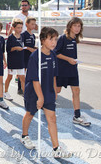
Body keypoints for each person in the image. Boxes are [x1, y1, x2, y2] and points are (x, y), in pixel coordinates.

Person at [21, 27, 71, 158]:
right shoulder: (35, 57)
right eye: (51, 39)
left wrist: (54, 90)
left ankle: (56, 148)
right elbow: (34, 79)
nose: (54, 42)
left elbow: (54, 75)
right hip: (34, 92)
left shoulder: (53, 55)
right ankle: (24, 136)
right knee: (30, 114)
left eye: (55, 39)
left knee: (52, 119)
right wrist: (40, 97)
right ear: (42, 40)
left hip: (48, 92)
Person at [55, 17, 91, 127]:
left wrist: (73, 61)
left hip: (72, 69)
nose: (77, 28)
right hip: (61, 69)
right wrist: (68, 59)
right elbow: (56, 53)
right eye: (75, 25)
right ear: (70, 26)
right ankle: (48, 108)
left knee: (76, 90)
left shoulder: (75, 39)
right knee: (56, 91)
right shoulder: (62, 38)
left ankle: (77, 115)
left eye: (79, 26)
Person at [9, 0, 37, 95]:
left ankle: (29, 87)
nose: (24, 6)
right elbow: (11, 28)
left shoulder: (31, 17)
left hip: (30, 51)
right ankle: (20, 88)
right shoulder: (17, 16)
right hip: (22, 48)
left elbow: (36, 28)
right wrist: (10, 38)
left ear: (29, 6)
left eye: (25, 5)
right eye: (22, 5)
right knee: (22, 70)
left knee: (28, 70)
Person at [4, 18, 26, 101]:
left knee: (22, 78)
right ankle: (5, 92)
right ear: (13, 28)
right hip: (12, 61)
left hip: (20, 61)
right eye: (18, 27)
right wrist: (15, 48)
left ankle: (25, 95)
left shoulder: (22, 36)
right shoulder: (11, 37)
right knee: (10, 77)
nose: (20, 29)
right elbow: (8, 49)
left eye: (21, 27)